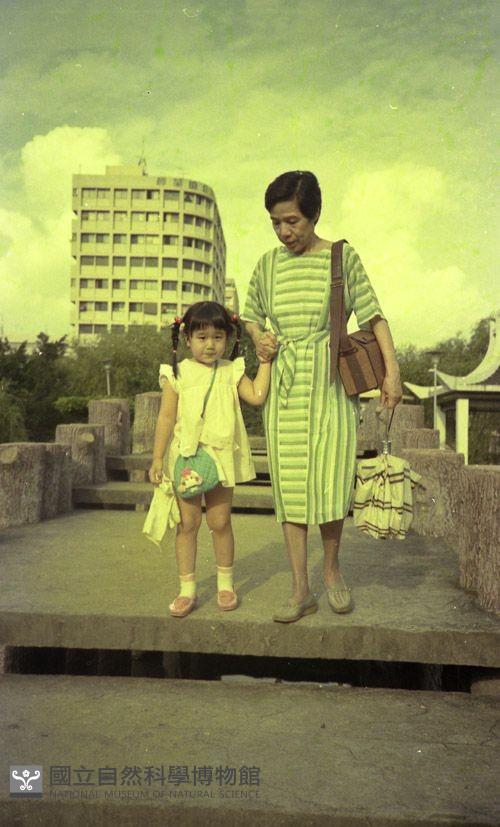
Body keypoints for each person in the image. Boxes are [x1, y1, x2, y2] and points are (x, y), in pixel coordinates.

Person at [241, 170, 403, 623]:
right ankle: (300, 588)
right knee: (291, 485)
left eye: (291, 221)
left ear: (313, 214)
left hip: (332, 384)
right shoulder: (267, 265)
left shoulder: (340, 257)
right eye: (276, 223)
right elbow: (251, 315)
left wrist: (392, 372)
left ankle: (331, 571)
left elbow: (374, 316)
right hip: (286, 388)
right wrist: (258, 337)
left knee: (331, 480)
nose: (284, 231)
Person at [148, 301, 273, 618]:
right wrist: (157, 458)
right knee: (188, 524)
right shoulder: (177, 373)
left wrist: (265, 362)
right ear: (187, 338)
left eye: (218, 337)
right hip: (187, 457)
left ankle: (226, 585)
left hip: (220, 457)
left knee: (220, 522)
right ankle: (187, 589)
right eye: (202, 337)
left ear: (228, 338)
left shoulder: (232, 371)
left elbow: (257, 396)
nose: (210, 344)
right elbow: (166, 417)